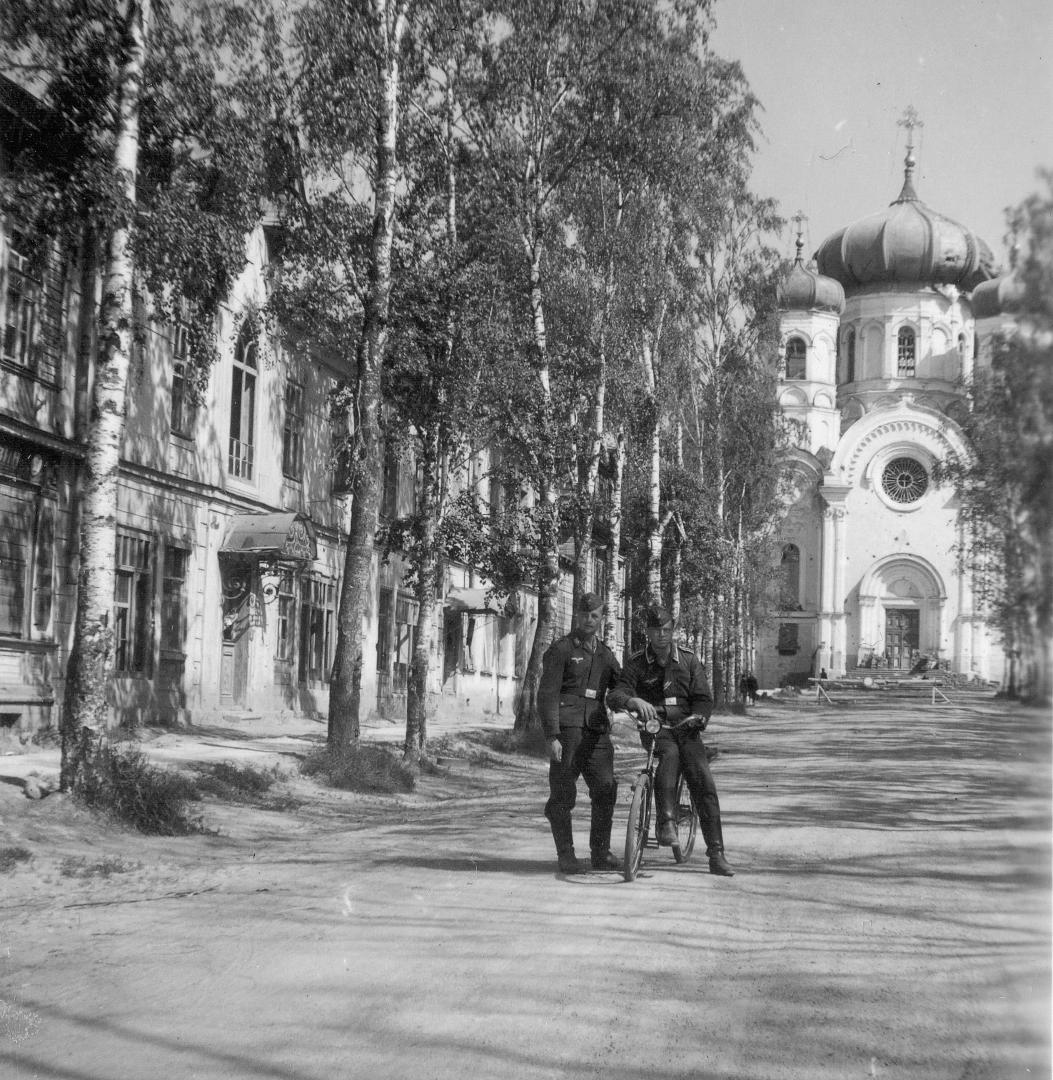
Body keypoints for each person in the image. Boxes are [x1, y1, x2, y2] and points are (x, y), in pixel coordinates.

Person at [608, 605, 734, 876]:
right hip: (656, 729)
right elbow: (616, 693)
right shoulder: (637, 662)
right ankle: (666, 823)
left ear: (673, 629)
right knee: (669, 755)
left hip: (686, 728)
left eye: (666, 630)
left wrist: (699, 717)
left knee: (702, 779)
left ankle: (716, 854)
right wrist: (633, 700)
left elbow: (703, 698)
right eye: (656, 630)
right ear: (648, 632)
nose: (661, 636)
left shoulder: (688, 661)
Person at [538, 592, 622, 874]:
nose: (589, 620)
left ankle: (600, 853)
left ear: (601, 618)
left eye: (595, 616)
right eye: (584, 615)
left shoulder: (605, 655)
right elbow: (547, 693)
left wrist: (635, 701)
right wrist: (551, 735)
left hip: (596, 734)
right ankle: (566, 855)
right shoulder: (561, 649)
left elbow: (621, 686)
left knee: (606, 789)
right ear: (576, 615)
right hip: (567, 733)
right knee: (562, 794)